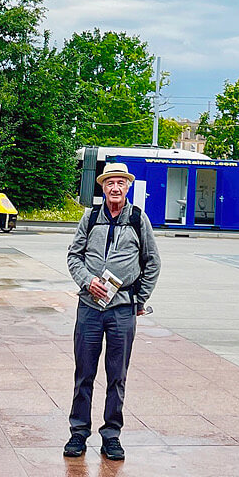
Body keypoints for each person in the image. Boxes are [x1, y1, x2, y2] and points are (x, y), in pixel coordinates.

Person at [64, 162, 161, 461]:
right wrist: (87, 281)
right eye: (110, 183)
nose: (115, 188)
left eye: (120, 183)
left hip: (122, 310)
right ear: (103, 187)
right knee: (84, 373)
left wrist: (138, 299)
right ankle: (78, 433)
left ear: (128, 186)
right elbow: (74, 255)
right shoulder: (91, 217)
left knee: (117, 375)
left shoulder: (138, 218)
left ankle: (112, 436)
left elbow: (152, 262)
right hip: (89, 308)